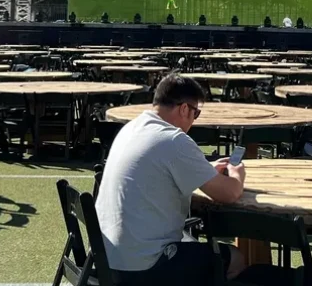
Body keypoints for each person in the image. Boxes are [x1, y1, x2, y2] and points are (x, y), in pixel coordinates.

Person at [96, 74, 247, 286]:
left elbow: (158, 168)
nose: (194, 120)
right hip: (145, 267)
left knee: (193, 244)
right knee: (236, 258)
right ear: (185, 109)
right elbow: (230, 193)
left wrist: (206, 170)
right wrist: (237, 173)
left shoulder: (131, 128)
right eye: (196, 113)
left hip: (108, 260)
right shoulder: (174, 139)